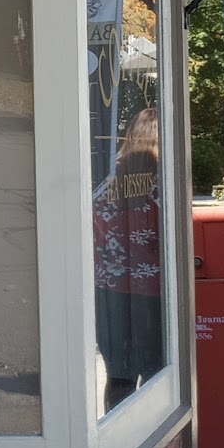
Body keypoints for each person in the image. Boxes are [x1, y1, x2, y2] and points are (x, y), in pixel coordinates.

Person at [93, 106, 164, 411]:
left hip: (109, 295)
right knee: (156, 376)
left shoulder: (106, 182)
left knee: (119, 376)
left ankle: (115, 442)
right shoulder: (163, 186)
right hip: (154, 294)